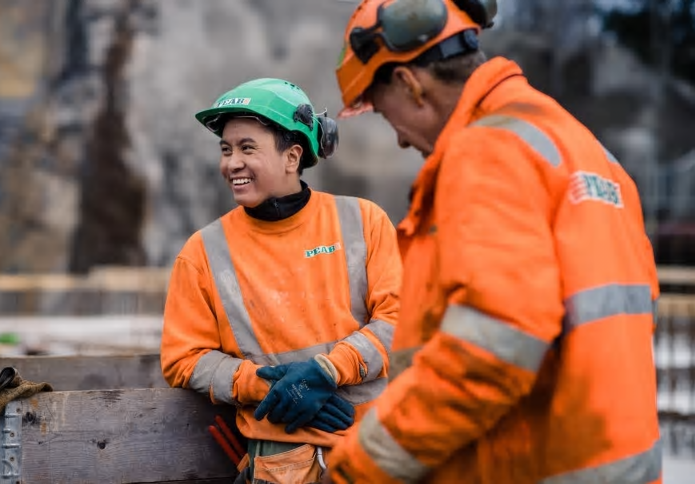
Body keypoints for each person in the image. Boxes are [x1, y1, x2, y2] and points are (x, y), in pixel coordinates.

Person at [322, 0, 662, 483]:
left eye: (381, 112)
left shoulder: (487, 151)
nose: (398, 138)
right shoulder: (582, 147)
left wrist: (360, 467)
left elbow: (486, 353)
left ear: (409, 84)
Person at [159, 77, 401, 484]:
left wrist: (326, 372)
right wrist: (262, 385)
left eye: (247, 148)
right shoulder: (204, 251)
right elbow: (183, 358)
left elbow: (401, 318)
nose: (231, 162)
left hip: (373, 449)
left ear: (292, 157)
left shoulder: (363, 221)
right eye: (226, 149)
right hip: (280, 465)